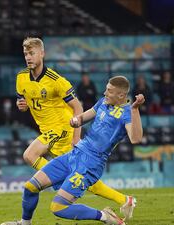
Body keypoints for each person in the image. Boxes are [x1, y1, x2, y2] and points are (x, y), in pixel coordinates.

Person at [1, 76, 144, 225]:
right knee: (30, 187)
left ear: (121, 95)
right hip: (74, 154)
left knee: (58, 207)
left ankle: (105, 216)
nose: (104, 93)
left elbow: (136, 138)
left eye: (109, 91)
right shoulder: (103, 102)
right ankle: (25, 223)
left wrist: (135, 110)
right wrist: (76, 121)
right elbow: (83, 117)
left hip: (91, 164)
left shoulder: (127, 113)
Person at [15, 37, 133, 217]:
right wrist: (22, 105)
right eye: (25, 54)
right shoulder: (21, 77)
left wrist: (75, 136)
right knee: (80, 175)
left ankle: (57, 182)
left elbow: (77, 107)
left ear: (42, 54)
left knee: (29, 155)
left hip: (62, 128)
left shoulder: (56, 80)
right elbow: (24, 100)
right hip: (46, 129)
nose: (28, 57)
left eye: (32, 53)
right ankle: (124, 200)